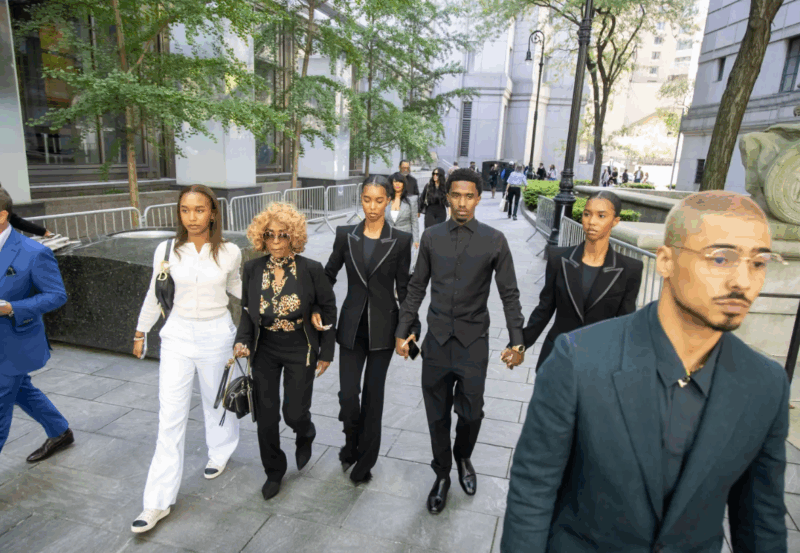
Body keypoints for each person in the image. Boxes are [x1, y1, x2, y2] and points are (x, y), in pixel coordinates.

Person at [503, 191, 790, 552]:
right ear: (666, 261)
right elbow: (533, 488)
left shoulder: (766, 385)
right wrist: (521, 343)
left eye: (759, 263)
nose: (743, 282)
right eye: (721, 258)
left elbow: (762, 523)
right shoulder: (575, 360)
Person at [395, 168, 526, 515]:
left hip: (473, 342)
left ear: (479, 199)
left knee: (471, 413)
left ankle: (463, 456)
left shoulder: (495, 240)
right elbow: (416, 287)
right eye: (456, 195)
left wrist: (518, 342)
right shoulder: (431, 237)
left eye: (469, 196)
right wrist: (402, 329)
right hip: (436, 343)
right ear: (448, 197)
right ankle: (441, 474)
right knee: (436, 415)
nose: (462, 203)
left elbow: (510, 294)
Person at [131, 185, 242, 533]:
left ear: (213, 213)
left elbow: (239, 288)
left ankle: (221, 450)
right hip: (177, 335)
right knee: (170, 417)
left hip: (216, 333)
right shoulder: (166, 250)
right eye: (185, 210)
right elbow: (155, 292)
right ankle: (157, 501)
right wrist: (140, 331)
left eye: (199, 210)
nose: (191, 217)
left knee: (215, 401)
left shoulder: (230, 251)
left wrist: (277, 306)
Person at [233, 203, 336, 502]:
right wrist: (242, 340)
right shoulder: (252, 269)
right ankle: (274, 471)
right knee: (266, 415)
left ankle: (305, 432)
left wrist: (326, 352)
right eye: (269, 234)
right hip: (264, 347)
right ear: (261, 237)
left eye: (283, 235)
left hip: (299, 347)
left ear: (294, 236)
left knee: (294, 413)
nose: (276, 241)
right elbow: (247, 312)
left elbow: (328, 308)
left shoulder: (311, 269)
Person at [320, 175, 419, 484]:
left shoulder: (400, 240)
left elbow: (405, 289)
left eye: (378, 200)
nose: (372, 207)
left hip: (383, 330)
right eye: (366, 200)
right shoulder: (345, 235)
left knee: (373, 399)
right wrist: (314, 306)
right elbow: (328, 275)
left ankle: (365, 462)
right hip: (351, 328)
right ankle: (351, 441)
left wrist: (411, 328)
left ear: (388, 200)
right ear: (360, 199)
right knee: (348, 396)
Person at [520, 191, 643, 371]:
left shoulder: (630, 268)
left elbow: (626, 323)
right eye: (587, 214)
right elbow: (544, 309)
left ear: (615, 221)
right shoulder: (558, 258)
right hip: (557, 357)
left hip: (599, 365)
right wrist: (519, 345)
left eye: (601, 216)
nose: (591, 221)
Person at [0, 188, 72, 462]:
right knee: (21, 390)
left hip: (12, 345)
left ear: (2, 216)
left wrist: (12, 308)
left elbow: (56, 295)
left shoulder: (34, 252)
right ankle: (60, 431)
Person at [386, 172, 419, 249]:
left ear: (404, 184)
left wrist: (416, 239)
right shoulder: (387, 200)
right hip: (389, 237)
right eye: (395, 181)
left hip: (405, 237)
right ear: (392, 183)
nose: (397, 184)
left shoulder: (411, 200)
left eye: (400, 181)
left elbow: (414, 221)